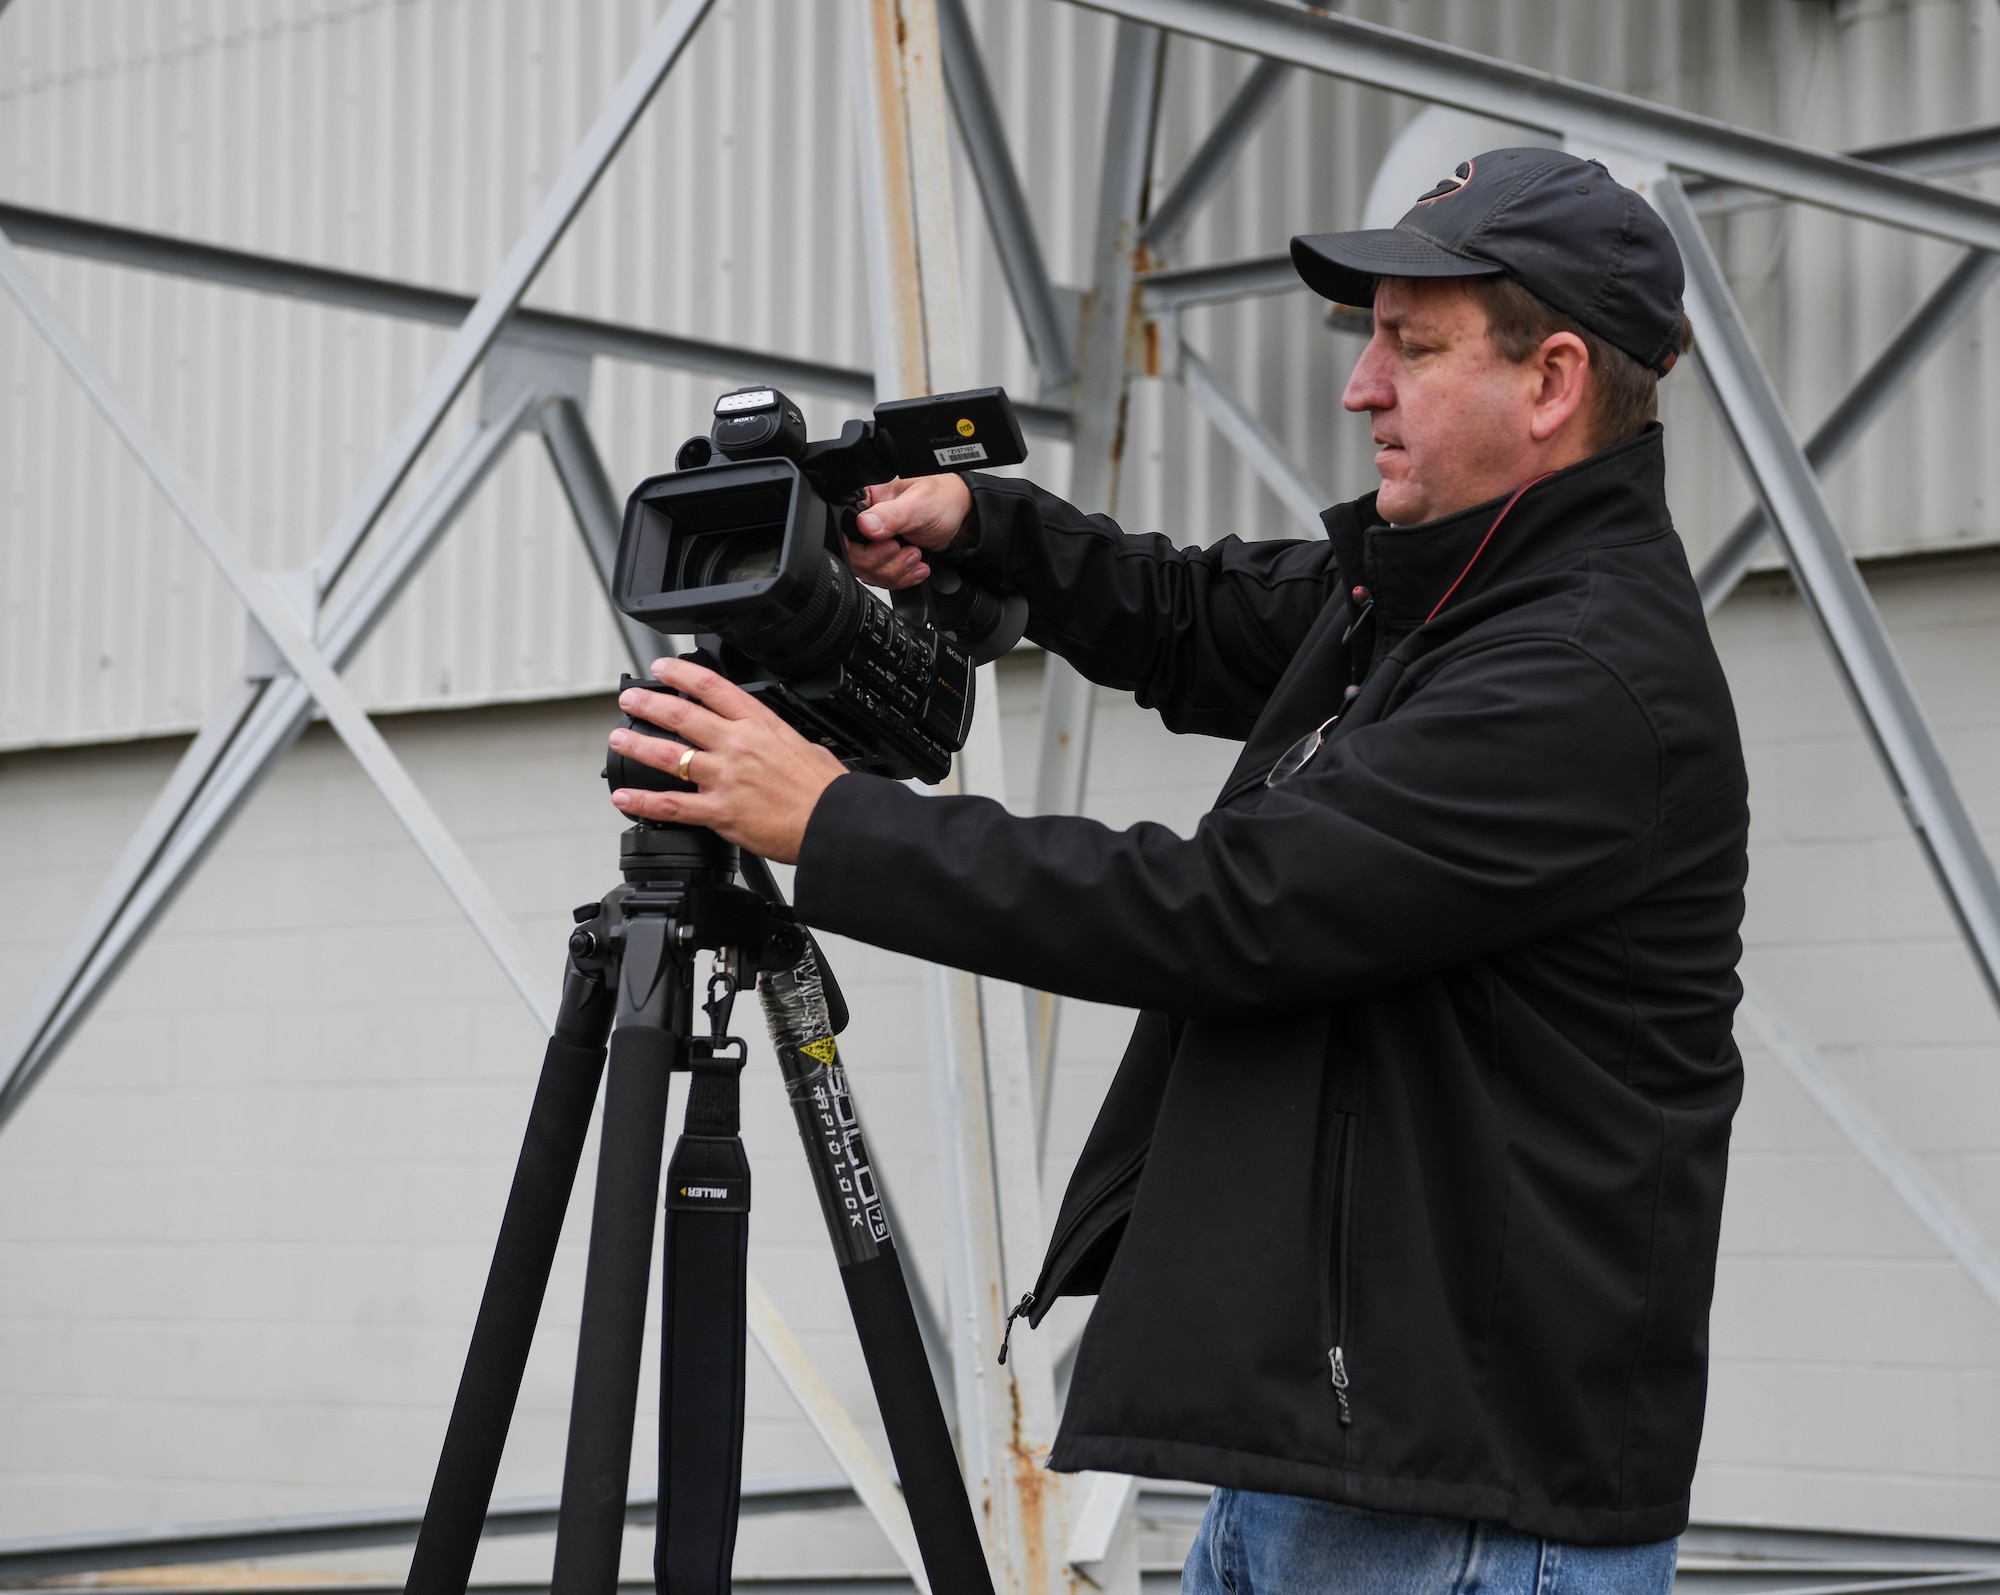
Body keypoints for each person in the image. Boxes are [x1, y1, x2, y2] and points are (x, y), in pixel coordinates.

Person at [605, 148, 1748, 1595]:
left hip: (1454, 1514)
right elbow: (1192, 612)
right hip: (1345, 1473)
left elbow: (1220, 912)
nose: (1362, 389)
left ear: (1553, 380)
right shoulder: (1436, 597)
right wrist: (980, 521)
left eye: (1412, 345)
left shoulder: (1576, 679)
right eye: (1370, 341)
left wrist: (827, 822)